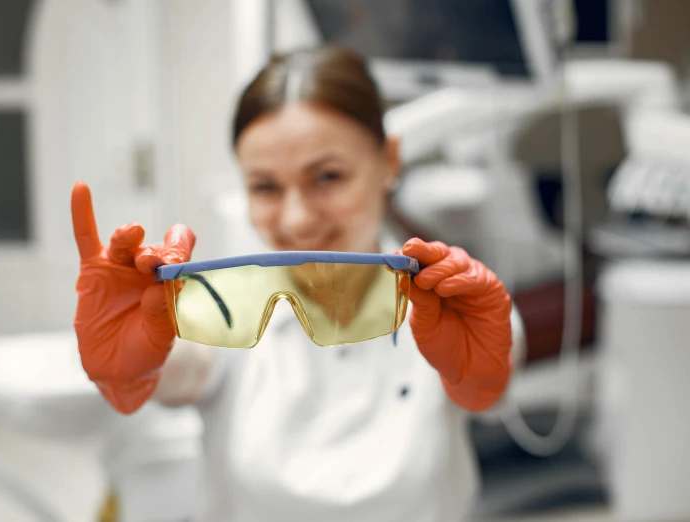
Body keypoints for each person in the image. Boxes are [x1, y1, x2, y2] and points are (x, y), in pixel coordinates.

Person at [72, 45, 516, 522]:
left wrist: (479, 381)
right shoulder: (223, 310)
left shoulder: (459, 306)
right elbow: (183, 362)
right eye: (265, 187)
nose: (297, 219)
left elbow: (488, 379)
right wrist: (139, 365)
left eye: (327, 177)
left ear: (389, 161)